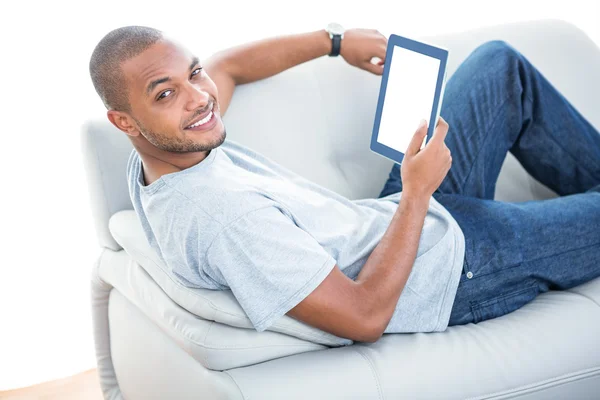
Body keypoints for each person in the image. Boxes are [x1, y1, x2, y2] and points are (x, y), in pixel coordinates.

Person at [89, 25, 600, 344]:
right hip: (455, 268)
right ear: (124, 122)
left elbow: (229, 66)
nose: (200, 97)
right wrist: (419, 191)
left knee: (499, 66)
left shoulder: (166, 156)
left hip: (396, 220)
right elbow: (364, 317)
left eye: (192, 73)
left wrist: (335, 42)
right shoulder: (223, 219)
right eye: (165, 93)